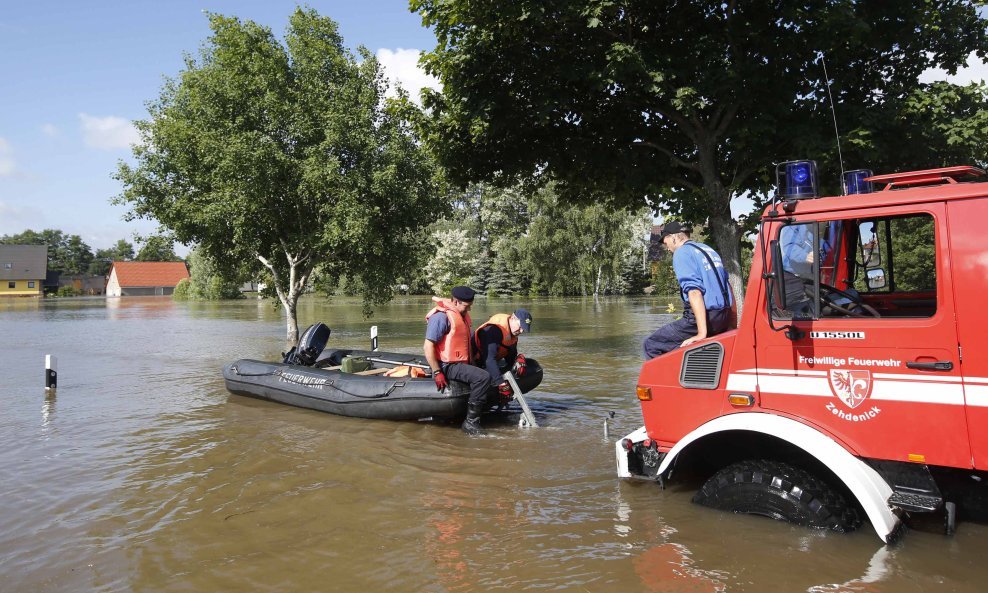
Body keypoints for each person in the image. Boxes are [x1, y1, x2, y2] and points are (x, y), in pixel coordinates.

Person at [643, 222, 734, 359]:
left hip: (706, 317)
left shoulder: (682, 252)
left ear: (673, 237)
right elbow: (728, 287)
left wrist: (701, 333)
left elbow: (694, 292)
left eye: (665, 242)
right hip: (723, 315)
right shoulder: (708, 250)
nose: (666, 248)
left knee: (652, 344)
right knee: (689, 349)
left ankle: (671, 380)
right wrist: (732, 324)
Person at [423, 285, 492, 435]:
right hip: (447, 365)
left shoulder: (462, 316)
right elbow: (428, 347)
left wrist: (475, 363)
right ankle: (471, 423)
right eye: (467, 306)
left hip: (461, 363)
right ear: (455, 302)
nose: (469, 310)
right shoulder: (441, 317)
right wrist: (437, 372)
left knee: (485, 372)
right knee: (483, 377)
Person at [474, 308, 533, 403]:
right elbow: (489, 359)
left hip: (490, 362)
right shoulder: (493, 330)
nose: (521, 331)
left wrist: (518, 360)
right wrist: (501, 383)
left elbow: (510, 358)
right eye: (520, 326)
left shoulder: (512, 334)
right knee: (488, 376)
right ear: (513, 318)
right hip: (475, 363)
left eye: (523, 329)